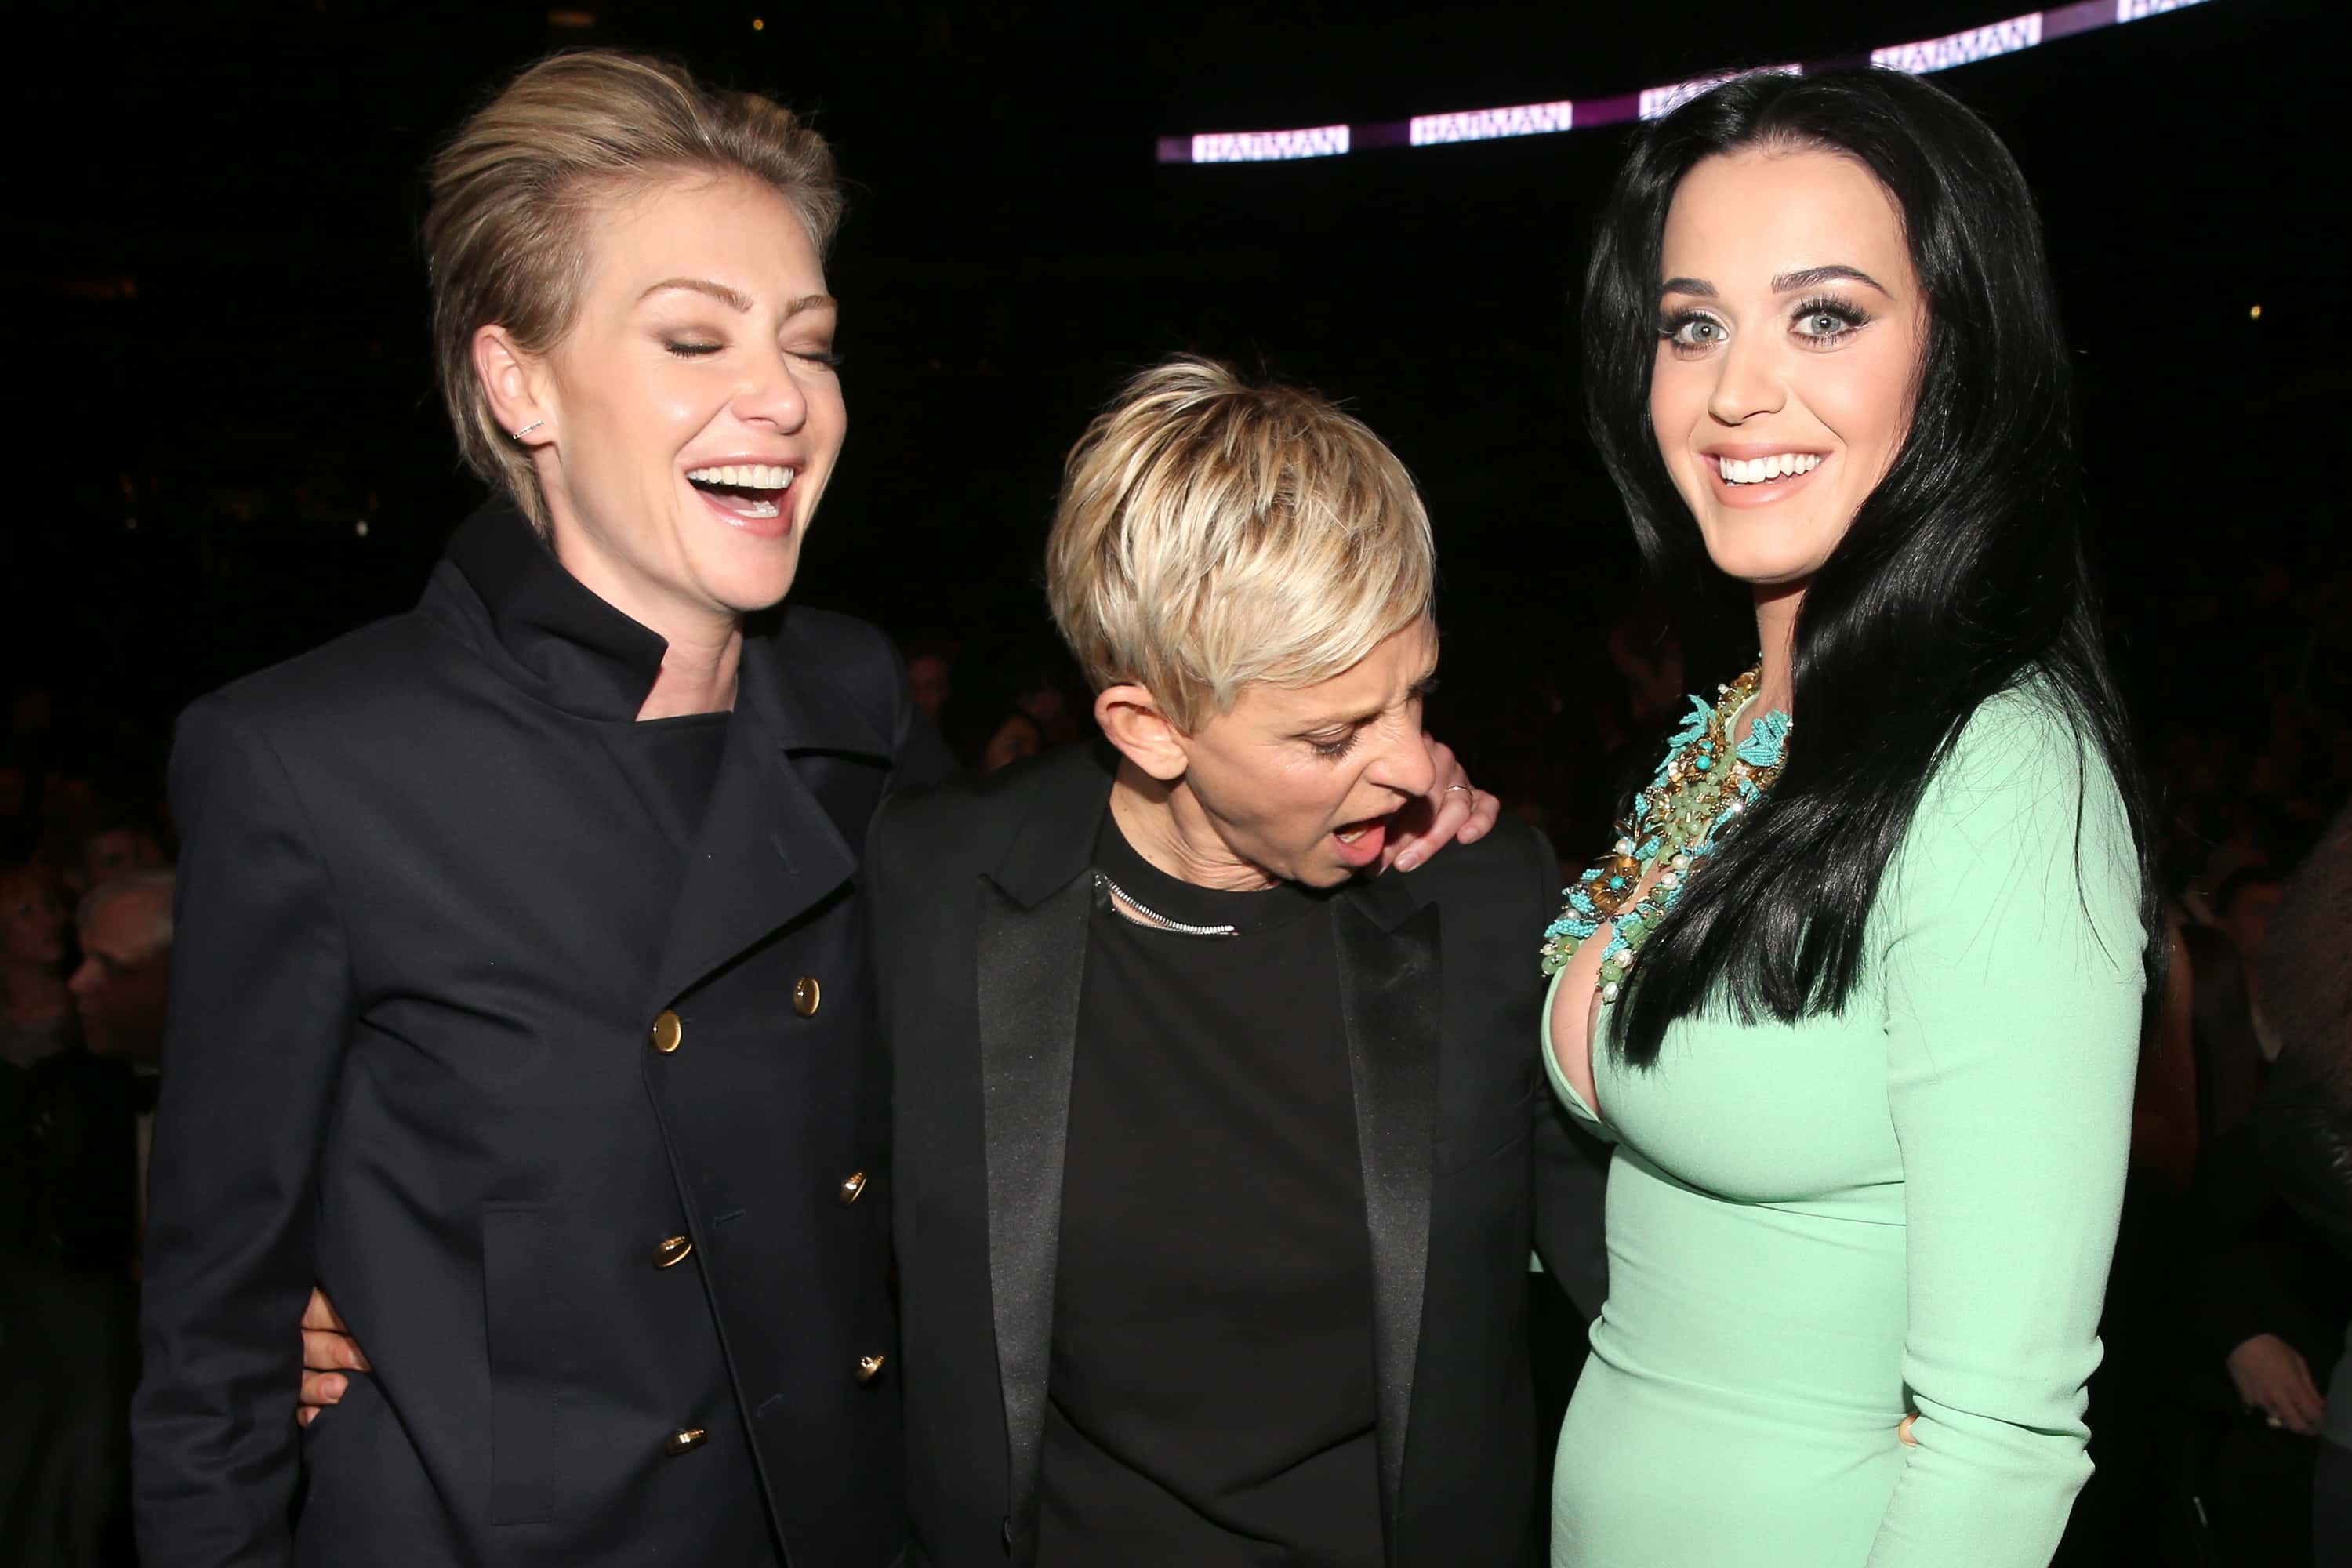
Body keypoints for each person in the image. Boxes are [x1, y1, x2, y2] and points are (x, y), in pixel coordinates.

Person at [132, 50, 952, 1567]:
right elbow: (209, 1350)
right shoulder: (311, 761)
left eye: (810, 342)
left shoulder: (857, 702)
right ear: (519, 383)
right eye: (695, 339)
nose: (780, 399)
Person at [1541, 67, 2155, 1565]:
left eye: (1825, 315)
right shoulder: (1744, 716)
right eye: (1694, 325)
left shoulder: (2002, 776)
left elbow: (2002, 1448)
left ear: (1959, 352)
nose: (1737, 390)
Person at [875, 358, 1610, 1566]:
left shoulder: (1481, 894)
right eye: (1333, 734)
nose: (1411, 764)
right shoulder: (934, 886)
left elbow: (1635, 1274)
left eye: (1416, 698)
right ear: (1150, 728)